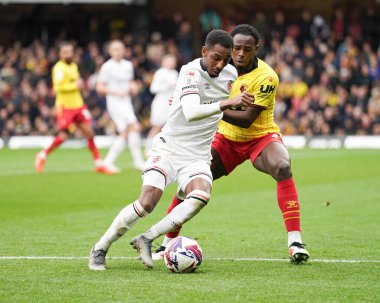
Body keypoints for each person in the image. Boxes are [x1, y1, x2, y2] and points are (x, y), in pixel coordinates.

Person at [89, 29, 254, 270]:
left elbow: (213, 102)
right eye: (216, 57)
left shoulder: (230, 74)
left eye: (225, 59)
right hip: (169, 148)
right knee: (147, 202)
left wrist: (236, 99)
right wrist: (227, 102)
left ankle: (146, 238)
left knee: (201, 196)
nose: (220, 64)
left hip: (198, 155)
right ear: (204, 52)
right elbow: (191, 111)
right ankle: (100, 248)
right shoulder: (189, 71)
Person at [154, 24, 310, 264]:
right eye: (236, 48)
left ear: (256, 49)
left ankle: (295, 241)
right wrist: (185, 103)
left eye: (246, 49)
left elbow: (247, 120)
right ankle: (166, 244)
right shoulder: (218, 68)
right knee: (189, 185)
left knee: (282, 166)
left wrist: (211, 108)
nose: (239, 54)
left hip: (260, 136)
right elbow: (194, 95)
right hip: (225, 138)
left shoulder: (266, 77)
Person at [34, 41, 108, 174]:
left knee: (89, 132)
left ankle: (98, 163)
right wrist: (75, 86)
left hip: (78, 105)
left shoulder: (74, 65)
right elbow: (58, 88)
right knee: (63, 136)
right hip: (65, 107)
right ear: (60, 54)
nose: (68, 54)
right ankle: (42, 155)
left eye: (70, 51)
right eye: (65, 52)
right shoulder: (59, 68)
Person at [96, 40, 145, 173]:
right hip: (114, 102)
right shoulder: (107, 67)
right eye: (115, 49)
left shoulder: (128, 65)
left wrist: (133, 87)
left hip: (126, 102)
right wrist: (115, 92)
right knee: (132, 128)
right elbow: (100, 87)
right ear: (110, 51)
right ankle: (135, 161)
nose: (118, 52)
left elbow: (130, 83)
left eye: (120, 49)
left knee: (130, 130)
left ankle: (112, 162)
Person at [145, 54, 179, 156]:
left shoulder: (174, 73)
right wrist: (166, 86)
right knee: (157, 126)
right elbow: (153, 88)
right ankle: (148, 148)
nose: (170, 63)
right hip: (160, 103)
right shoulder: (160, 73)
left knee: (169, 126)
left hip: (170, 103)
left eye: (172, 61)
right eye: (168, 61)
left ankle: (165, 148)